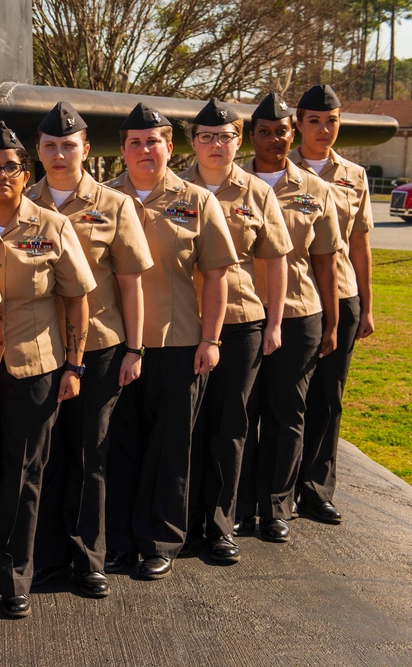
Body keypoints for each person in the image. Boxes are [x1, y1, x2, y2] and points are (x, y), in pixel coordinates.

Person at [0, 121, 94, 619]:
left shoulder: (53, 227)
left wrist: (75, 366)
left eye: (10, 167)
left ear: (25, 172)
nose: (1, 176)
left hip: (37, 369)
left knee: (25, 477)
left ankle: (13, 579)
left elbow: (77, 301)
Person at [103, 102, 236, 581]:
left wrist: (212, 339)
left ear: (169, 147)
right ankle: (117, 540)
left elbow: (216, 276)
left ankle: (160, 540)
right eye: (135, 142)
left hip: (179, 342)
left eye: (153, 141)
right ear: (122, 150)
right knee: (119, 446)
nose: (144, 149)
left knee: (170, 448)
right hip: (118, 344)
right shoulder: (103, 199)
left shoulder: (197, 200)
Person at [28, 101, 153, 599]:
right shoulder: (22, 203)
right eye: (51, 146)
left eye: (69, 145)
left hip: (99, 346)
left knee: (89, 453)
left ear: (86, 149)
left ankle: (88, 559)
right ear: (38, 151)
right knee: (43, 456)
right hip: (38, 350)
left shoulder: (114, 205)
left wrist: (135, 348)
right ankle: (45, 556)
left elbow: (131, 283)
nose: (60, 154)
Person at [178, 99, 292, 561]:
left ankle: (223, 523)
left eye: (225, 136)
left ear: (237, 141)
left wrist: (276, 321)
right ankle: (181, 522)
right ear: (192, 142)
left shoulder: (256, 192)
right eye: (206, 136)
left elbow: (276, 259)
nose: (215, 145)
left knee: (230, 424)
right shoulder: (173, 189)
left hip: (241, 320)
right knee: (183, 427)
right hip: (183, 323)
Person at [237, 92, 343, 542]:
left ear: (291, 133)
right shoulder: (229, 184)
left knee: (287, 413)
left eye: (281, 131)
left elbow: (325, 263)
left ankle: (277, 505)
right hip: (241, 314)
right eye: (264, 132)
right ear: (252, 136)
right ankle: (238, 505)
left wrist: (334, 324)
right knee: (240, 413)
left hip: (299, 313)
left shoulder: (315, 191)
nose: (273, 139)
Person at [290, 84, 374, 525]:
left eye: (332, 121)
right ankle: (276, 490)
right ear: (298, 124)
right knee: (285, 399)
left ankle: (317, 489)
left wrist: (368, 306)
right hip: (294, 299)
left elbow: (360, 245)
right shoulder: (280, 170)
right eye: (315, 121)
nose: (324, 129)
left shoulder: (353, 176)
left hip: (342, 295)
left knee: (328, 397)